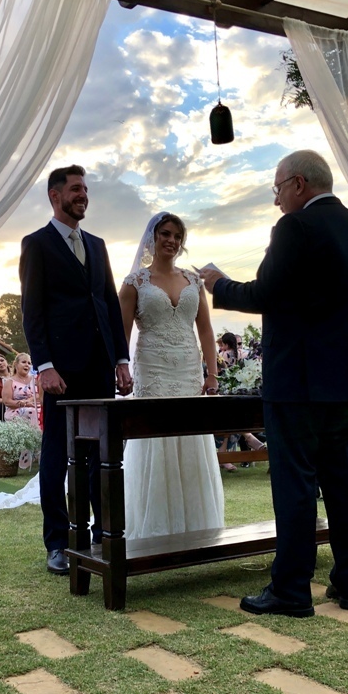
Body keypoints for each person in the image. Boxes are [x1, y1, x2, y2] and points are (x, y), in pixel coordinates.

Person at [201, 150, 348, 618]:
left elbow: (266, 294)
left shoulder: (295, 227)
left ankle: (292, 590)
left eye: (277, 189)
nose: (276, 200)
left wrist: (218, 284)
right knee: (345, 486)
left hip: (299, 383)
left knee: (295, 485)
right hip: (346, 381)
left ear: (299, 183)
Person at [20, 164, 131, 575]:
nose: (83, 195)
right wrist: (45, 366)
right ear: (55, 196)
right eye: (75, 189)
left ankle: (103, 534)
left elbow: (108, 303)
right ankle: (59, 542)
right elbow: (32, 311)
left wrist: (121, 359)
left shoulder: (97, 245)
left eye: (85, 189)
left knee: (102, 456)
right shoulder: (37, 244)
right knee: (57, 457)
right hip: (61, 374)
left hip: (100, 367)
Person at [118, 213, 223, 539]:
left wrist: (212, 374)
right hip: (153, 370)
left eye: (177, 236)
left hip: (189, 370)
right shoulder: (134, 283)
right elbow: (121, 333)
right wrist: (121, 367)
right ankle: (155, 530)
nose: (172, 241)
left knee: (190, 439)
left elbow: (206, 331)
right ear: (153, 237)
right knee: (156, 441)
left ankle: (196, 529)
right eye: (165, 233)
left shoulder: (194, 282)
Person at [3, 353, 40, 427]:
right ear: (16, 365)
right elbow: (7, 401)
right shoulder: (9, 382)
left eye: (29, 363)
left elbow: (40, 394)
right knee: (33, 412)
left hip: (36, 406)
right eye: (24, 362)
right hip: (16, 410)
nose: (27, 365)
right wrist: (24, 404)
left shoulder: (35, 379)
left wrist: (30, 400)